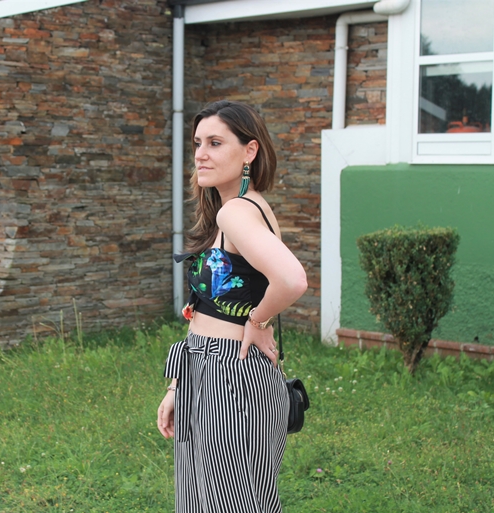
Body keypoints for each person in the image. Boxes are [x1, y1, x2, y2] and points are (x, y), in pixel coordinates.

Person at [157, 100, 308, 513]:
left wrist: (257, 321)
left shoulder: (237, 213)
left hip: (229, 379)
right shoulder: (241, 208)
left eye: (215, 143)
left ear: (249, 151)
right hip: (210, 371)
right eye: (197, 143)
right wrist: (178, 386)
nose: (200, 154)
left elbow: (292, 280)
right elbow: (216, 306)